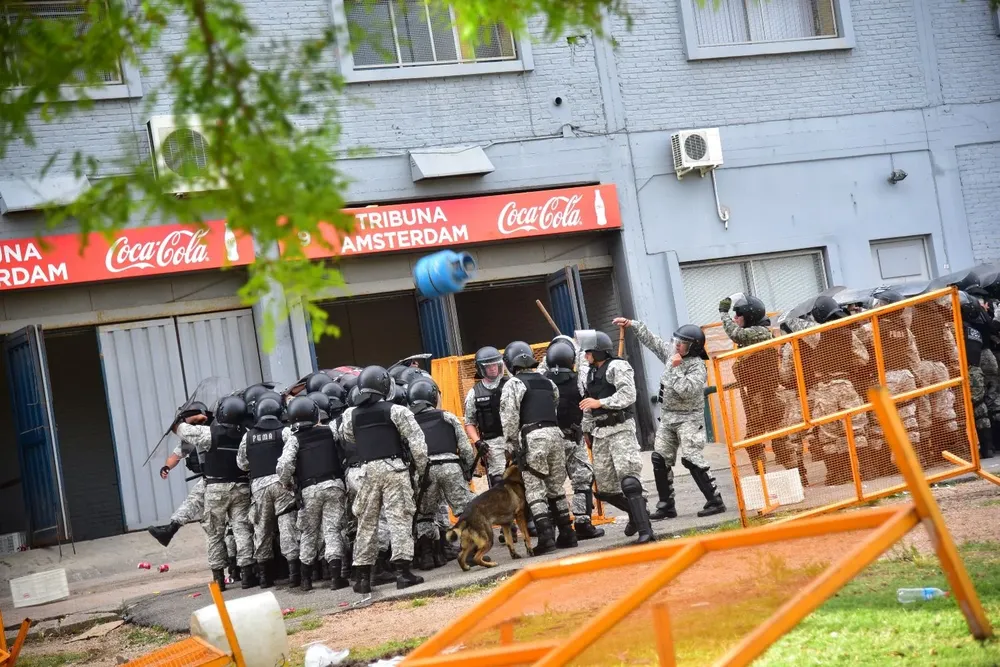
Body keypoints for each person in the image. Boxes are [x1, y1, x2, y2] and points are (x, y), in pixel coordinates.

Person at [617, 318, 726, 519]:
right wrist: (633, 325)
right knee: (659, 458)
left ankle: (715, 500)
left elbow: (686, 391)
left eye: (682, 343)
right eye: (676, 340)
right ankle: (667, 505)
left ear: (693, 347)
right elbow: (654, 342)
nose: (677, 345)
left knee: (691, 458)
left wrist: (674, 368)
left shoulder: (696, 366)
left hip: (689, 418)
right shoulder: (672, 355)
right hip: (668, 417)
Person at [335, 365, 429, 593]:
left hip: (366, 471)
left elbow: (347, 437)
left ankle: (363, 578)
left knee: (366, 522)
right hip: (394, 469)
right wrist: (420, 469)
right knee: (399, 519)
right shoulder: (397, 411)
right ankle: (402, 573)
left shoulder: (350, 414)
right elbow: (417, 444)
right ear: (385, 386)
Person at [578, 329, 654, 545]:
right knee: (605, 489)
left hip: (620, 429)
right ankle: (637, 513)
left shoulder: (617, 366)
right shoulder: (591, 373)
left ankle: (645, 529)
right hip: (600, 432)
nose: (586, 356)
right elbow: (587, 403)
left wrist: (601, 403)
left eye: (589, 352)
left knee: (629, 481)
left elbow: (628, 395)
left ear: (599, 352)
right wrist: (586, 429)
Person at [500, 340, 577, 555]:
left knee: (535, 488)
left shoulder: (513, 384)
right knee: (555, 487)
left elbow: (509, 419)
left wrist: (513, 446)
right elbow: (554, 403)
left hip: (533, 436)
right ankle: (567, 533)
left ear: (510, 362)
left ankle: (545, 538)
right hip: (555, 435)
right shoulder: (547, 381)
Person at [175, 395, 257, 591]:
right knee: (242, 529)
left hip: (215, 489)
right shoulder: (247, 434)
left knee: (214, 533)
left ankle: (219, 578)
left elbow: (184, 431)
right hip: (241, 488)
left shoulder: (211, 433)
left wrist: (179, 421)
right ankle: (247, 575)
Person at [278, 395, 349, 592]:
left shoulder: (294, 439)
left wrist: (287, 484)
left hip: (309, 490)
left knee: (309, 532)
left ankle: (306, 580)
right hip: (334, 485)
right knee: (333, 529)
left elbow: (284, 464)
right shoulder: (331, 431)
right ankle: (336, 577)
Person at [407, 379, 476, 570]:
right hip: (450, 466)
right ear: (432, 396)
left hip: (426, 470)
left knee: (425, 514)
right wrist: (468, 469)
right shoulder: (447, 416)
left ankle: (428, 556)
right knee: (463, 509)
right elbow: (465, 446)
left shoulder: (409, 422)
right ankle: (469, 551)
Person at [802, 296, 871, 485]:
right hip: (846, 383)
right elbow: (863, 358)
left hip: (824, 388)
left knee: (829, 434)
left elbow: (795, 325)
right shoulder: (849, 334)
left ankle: (836, 474)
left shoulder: (815, 334)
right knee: (856, 430)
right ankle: (863, 470)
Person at [541, 337, 604, 539]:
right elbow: (587, 370)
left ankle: (564, 529)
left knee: (554, 485)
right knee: (582, 479)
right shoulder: (579, 378)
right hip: (572, 437)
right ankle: (583, 523)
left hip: (551, 441)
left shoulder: (540, 380)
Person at [237, 396, 301, 588]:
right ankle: (294, 574)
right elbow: (294, 455)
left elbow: (242, 464)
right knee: (286, 525)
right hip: (282, 484)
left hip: (259, 487)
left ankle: (265, 576)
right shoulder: (285, 431)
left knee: (262, 529)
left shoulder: (247, 437)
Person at [718, 294, 782, 475]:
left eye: (738, 314)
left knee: (777, 439)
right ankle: (763, 478)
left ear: (750, 315)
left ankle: (797, 474)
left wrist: (723, 313)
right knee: (757, 441)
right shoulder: (753, 335)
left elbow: (736, 335)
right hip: (757, 397)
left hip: (767, 396)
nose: (735, 318)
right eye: (734, 315)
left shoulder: (759, 332)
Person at [464, 347, 509, 487]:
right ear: (481, 368)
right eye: (488, 366)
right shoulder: (474, 393)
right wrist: (478, 442)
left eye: (495, 364)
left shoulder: (511, 384)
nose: (493, 369)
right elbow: (469, 422)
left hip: (513, 438)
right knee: (499, 481)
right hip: (492, 443)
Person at [960, 291, 994, 459]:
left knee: (963, 411)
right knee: (981, 409)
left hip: (965, 371)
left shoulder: (958, 330)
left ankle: (972, 450)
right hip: (976, 370)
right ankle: (988, 448)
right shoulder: (974, 330)